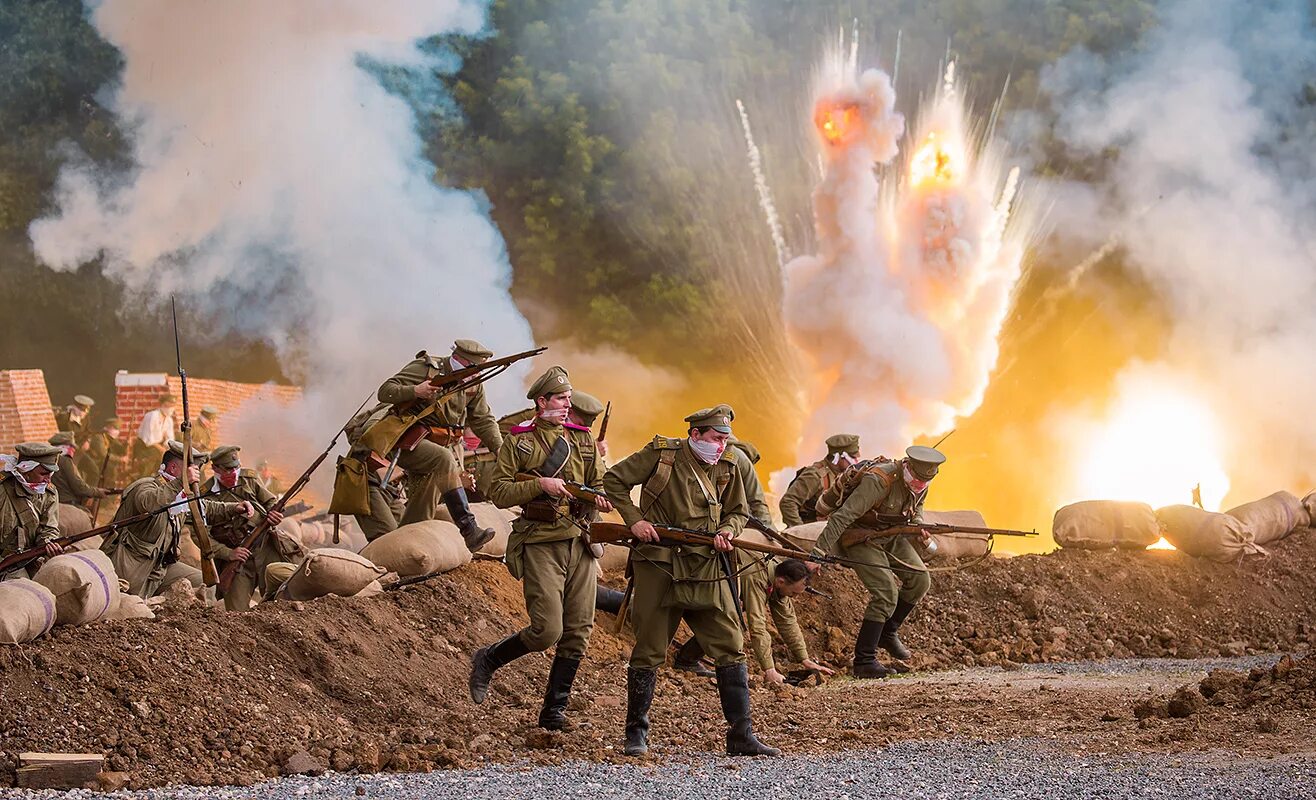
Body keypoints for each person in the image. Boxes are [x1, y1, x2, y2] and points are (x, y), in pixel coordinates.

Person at [603, 406, 778, 758]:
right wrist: (635, 520)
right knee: (649, 649)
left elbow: (738, 511)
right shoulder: (662, 456)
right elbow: (614, 481)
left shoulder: (728, 464)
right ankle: (635, 734)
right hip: (660, 564)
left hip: (706, 567)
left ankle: (741, 735)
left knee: (730, 645)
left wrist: (729, 530)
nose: (720, 445)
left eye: (725, 439)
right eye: (715, 438)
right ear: (695, 435)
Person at [470, 366, 613, 732]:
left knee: (579, 630)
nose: (568, 405)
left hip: (578, 541)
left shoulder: (582, 440)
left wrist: (600, 498)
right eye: (561, 399)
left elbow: (599, 481)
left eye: (568, 399)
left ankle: (552, 713)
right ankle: (488, 658)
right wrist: (540, 486)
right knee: (547, 630)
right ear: (541, 402)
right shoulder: (520, 443)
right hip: (539, 541)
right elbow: (498, 492)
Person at [813, 445, 945, 678]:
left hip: (891, 534)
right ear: (909, 467)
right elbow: (844, 517)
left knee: (920, 580)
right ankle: (864, 661)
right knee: (886, 593)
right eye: (917, 480)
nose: (920, 485)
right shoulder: (879, 481)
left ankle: (887, 632)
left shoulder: (922, 481)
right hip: (860, 535)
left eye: (925, 482)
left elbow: (917, 506)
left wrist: (918, 524)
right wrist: (817, 554)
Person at [369, 339, 502, 549]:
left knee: (425, 498)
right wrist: (416, 391)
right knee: (443, 459)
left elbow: (483, 419)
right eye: (474, 369)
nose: (477, 376)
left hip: (435, 443)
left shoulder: (473, 382)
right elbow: (386, 391)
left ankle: (409, 542)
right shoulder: (427, 369)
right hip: (402, 441)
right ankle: (469, 529)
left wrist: (501, 450)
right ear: (459, 360)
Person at [102, 441, 254, 598]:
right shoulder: (146, 486)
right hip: (129, 568)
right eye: (189, 470)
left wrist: (234, 508)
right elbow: (150, 502)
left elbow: (204, 508)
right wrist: (181, 481)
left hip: (158, 569)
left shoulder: (179, 496)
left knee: (205, 585)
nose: (195, 475)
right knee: (131, 607)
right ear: (173, 468)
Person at [675, 558, 833, 685]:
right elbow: (757, 625)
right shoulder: (757, 577)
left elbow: (788, 621)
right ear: (780, 582)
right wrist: (769, 670)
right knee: (729, 625)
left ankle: (687, 660)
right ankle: (686, 661)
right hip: (702, 587)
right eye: (792, 593)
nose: (794, 598)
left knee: (730, 622)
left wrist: (804, 659)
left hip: (722, 592)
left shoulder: (781, 577)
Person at [200, 445, 289, 611]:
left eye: (236, 467)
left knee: (282, 601)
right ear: (215, 468)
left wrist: (273, 515)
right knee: (236, 612)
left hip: (265, 548)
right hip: (237, 558)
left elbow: (270, 502)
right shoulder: (205, 494)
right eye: (228, 469)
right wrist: (228, 553)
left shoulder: (249, 479)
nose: (234, 472)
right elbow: (200, 536)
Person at [0, 443, 64, 578]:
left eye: (50, 473)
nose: (48, 479)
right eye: (43, 473)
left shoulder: (49, 493)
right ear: (26, 470)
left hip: (29, 560)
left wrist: (48, 542)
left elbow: (49, 528)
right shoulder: (2, 488)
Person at [779, 434, 861, 527]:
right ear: (838, 457)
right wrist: (800, 531)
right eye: (853, 457)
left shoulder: (842, 476)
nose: (856, 461)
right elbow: (788, 503)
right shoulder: (815, 475)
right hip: (810, 531)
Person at [49, 431, 108, 509]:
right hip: (67, 503)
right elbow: (79, 487)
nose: (73, 450)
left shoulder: (50, 459)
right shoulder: (65, 461)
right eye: (71, 447)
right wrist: (97, 492)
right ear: (63, 447)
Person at [132, 393, 177, 477]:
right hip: (144, 448)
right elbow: (148, 440)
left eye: (173, 406)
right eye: (169, 406)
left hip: (158, 448)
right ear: (163, 404)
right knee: (146, 470)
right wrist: (162, 450)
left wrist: (167, 448)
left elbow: (170, 438)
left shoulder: (169, 420)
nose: (171, 409)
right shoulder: (152, 416)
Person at [78, 417, 128, 491]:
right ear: (108, 427)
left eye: (117, 429)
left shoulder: (110, 438)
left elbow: (119, 448)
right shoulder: (99, 437)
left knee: (112, 469)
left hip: (101, 462)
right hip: (94, 461)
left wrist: (126, 445)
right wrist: (120, 459)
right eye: (115, 428)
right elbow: (103, 455)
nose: (117, 431)